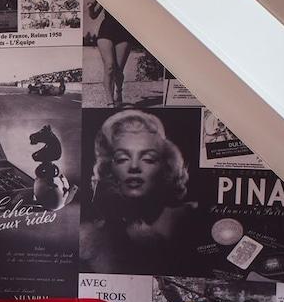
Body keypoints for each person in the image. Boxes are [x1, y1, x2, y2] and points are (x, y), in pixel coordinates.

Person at [80, 108, 208, 273]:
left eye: (148, 159)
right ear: (109, 168)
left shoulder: (191, 220)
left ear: (166, 167)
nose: (134, 166)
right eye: (122, 159)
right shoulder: (91, 237)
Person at [88, 0, 141, 107]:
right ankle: (110, 102)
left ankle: (119, 91)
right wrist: (90, 8)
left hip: (124, 32)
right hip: (106, 30)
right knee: (109, 67)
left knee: (118, 71)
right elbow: (93, 15)